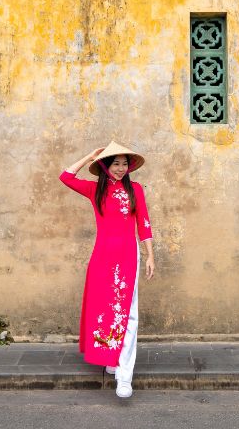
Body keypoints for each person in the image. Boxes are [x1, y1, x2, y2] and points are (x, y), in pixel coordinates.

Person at [60, 141, 155, 398]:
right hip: (102, 256)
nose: (121, 169)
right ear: (105, 166)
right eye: (115, 164)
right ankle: (111, 357)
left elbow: (144, 224)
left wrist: (150, 256)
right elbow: (65, 176)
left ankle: (125, 377)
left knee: (128, 313)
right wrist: (89, 155)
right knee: (105, 308)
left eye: (125, 164)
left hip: (128, 255)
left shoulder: (135, 189)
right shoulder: (95, 190)